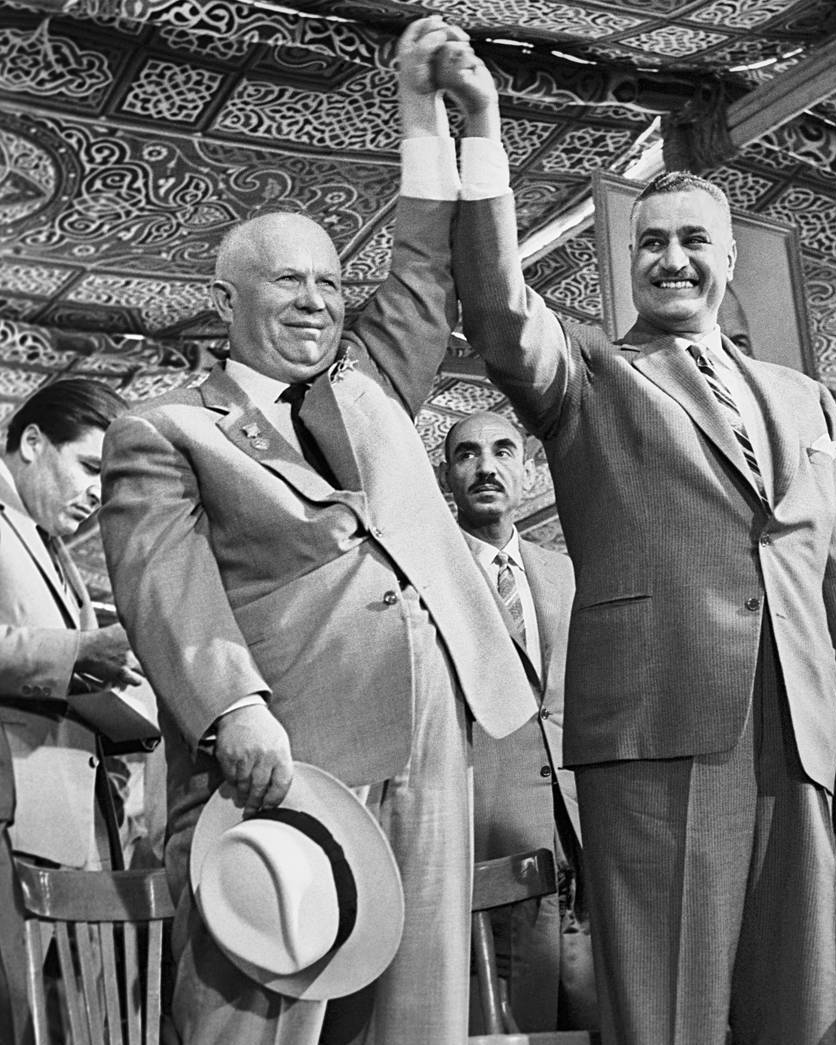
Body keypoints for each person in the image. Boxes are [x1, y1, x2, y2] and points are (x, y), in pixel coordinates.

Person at [433, 40, 836, 1045]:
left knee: (798, 1010)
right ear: (629, 259)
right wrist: (477, 134)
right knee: (668, 1015)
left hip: (802, 731)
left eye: (694, 240)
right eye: (652, 243)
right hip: (659, 732)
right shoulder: (594, 374)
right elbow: (496, 307)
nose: (673, 259)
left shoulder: (806, 399)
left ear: (728, 260)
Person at [98, 18, 534, 1045]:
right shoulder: (162, 427)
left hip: (430, 745)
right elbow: (165, 584)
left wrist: (429, 116)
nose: (317, 299)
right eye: (289, 280)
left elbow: (424, 268)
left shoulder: (372, 382)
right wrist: (234, 709)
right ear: (227, 299)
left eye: (332, 281)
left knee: (414, 1018)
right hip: (284, 758)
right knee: (261, 1018)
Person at [440, 411, 598, 1033]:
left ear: (528, 472)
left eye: (503, 451)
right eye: (467, 455)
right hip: (483, 822)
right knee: (504, 1011)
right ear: (445, 475)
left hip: (577, 823)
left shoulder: (565, 571)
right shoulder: (430, 571)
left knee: (592, 1009)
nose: (486, 466)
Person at [0, 377, 138, 1045]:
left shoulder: (53, 549)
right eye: (88, 467)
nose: (94, 496)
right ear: (32, 442)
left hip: (72, 835)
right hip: (13, 824)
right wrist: (81, 648)